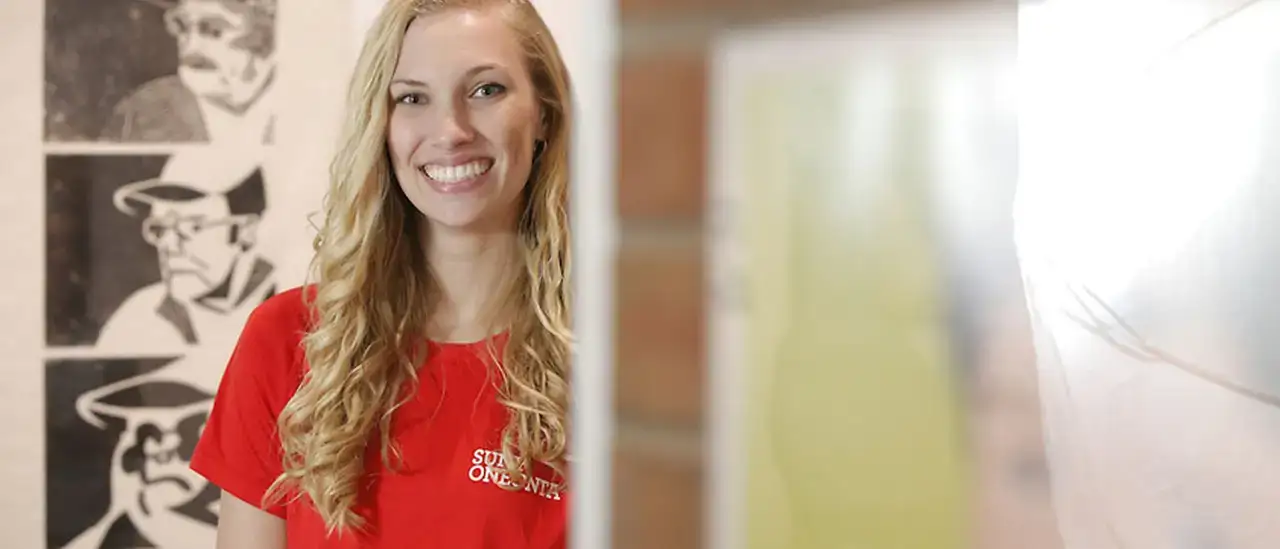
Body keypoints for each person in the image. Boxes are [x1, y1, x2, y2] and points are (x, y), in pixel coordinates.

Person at [190, 0, 573, 547]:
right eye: (412, 98)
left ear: (544, 115)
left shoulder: (613, 362)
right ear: (382, 126)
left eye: (486, 90)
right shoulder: (288, 342)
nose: (451, 130)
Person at [97, 147, 276, 354]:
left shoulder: (292, 303)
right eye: (160, 228)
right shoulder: (137, 320)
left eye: (193, 227)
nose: (169, 245)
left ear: (245, 233)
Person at [100, 0, 276, 144]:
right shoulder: (142, 108)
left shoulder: (296, 103)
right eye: (182, 27)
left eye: (215, 30)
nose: (191, 47)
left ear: (266, 35)